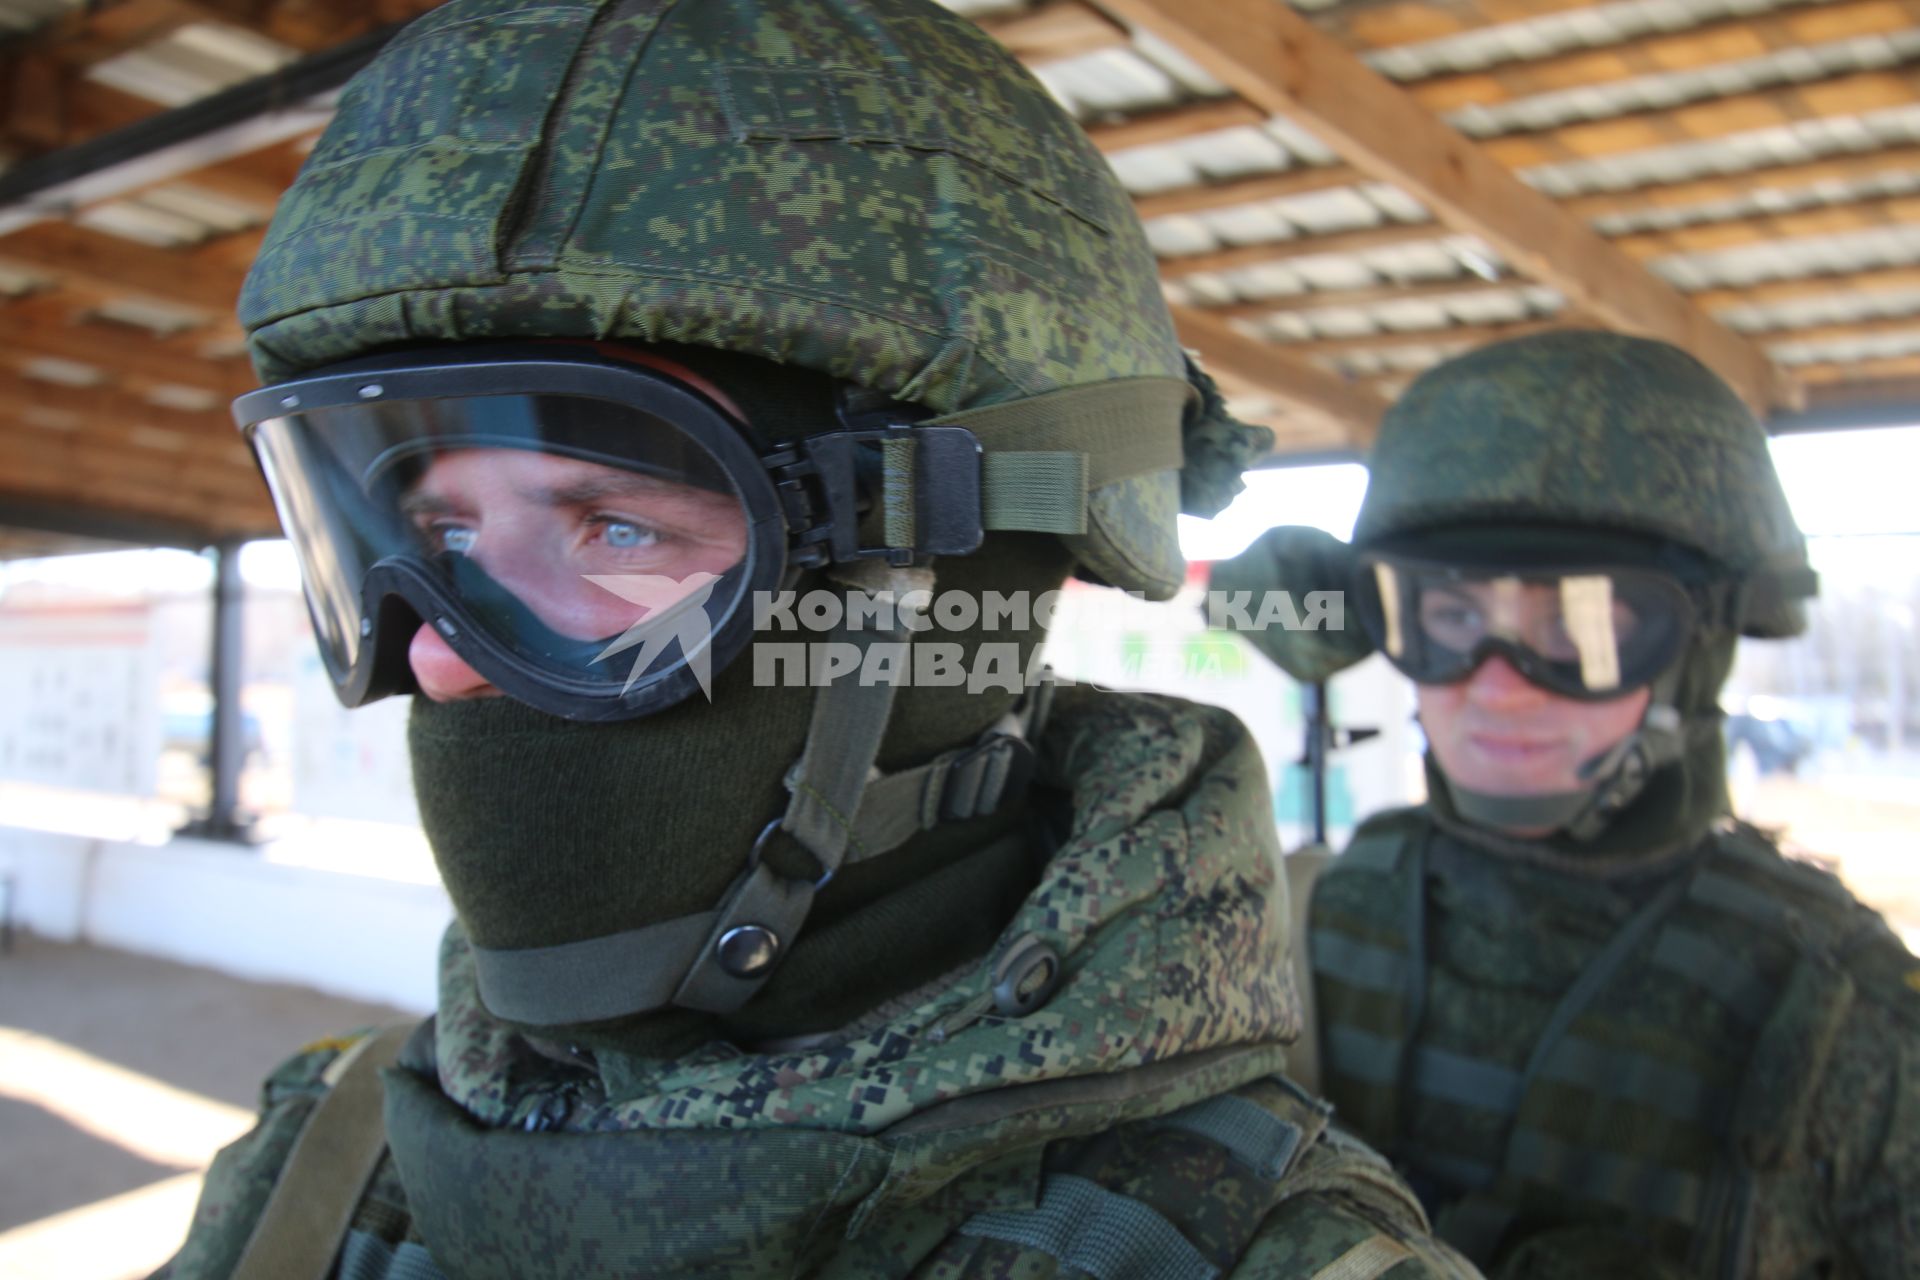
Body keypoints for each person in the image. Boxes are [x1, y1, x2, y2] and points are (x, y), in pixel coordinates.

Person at [157, 2, 1485, 1277]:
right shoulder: (322, 1163)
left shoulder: (1245, 1248)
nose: (440, 657)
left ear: (964, 596)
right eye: (443, 541)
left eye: (617, 530)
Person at [1212, 330, 1920, 1279]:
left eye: (1581, 626)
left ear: (1695, 649)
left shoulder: (1847, 1015)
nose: (1498, 687)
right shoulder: (1286, 929)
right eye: (1451, 617)